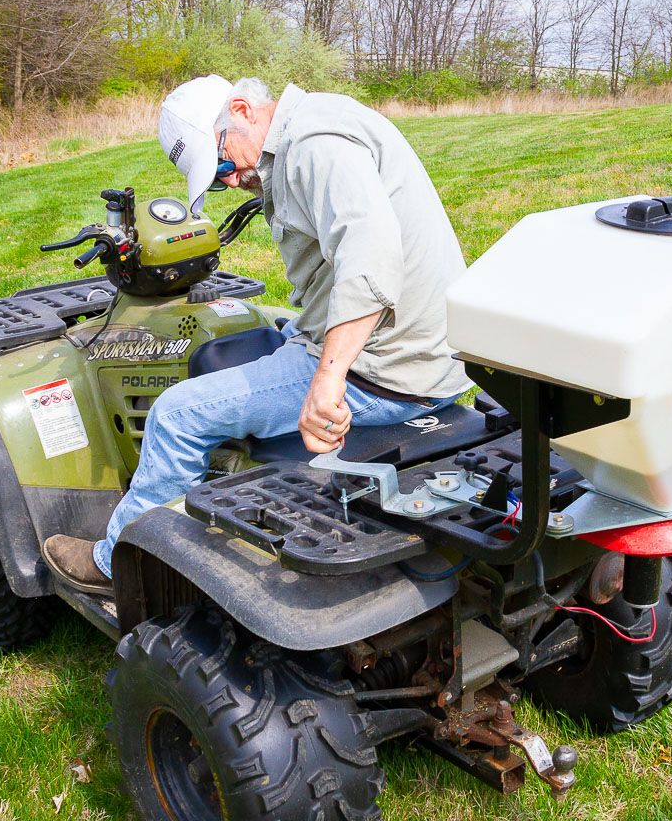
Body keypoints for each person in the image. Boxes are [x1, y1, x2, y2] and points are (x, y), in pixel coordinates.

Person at [42, 75, 472, 595]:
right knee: (271, 325)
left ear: (242, 109)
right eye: (217, 178)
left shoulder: (313, 147)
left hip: (385, 371)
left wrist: (328, 379)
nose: (229, 180)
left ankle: (118, 565)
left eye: (222, 164)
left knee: (175, 415)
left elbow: (371, 263)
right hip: (433, 353)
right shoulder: (320, 120)